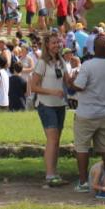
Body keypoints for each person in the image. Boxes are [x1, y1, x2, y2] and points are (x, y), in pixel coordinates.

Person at [66, 36, 105, 197]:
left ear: (93, 48)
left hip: (86, 112)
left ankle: (84, 182)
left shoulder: (88, 65)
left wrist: (70, 82)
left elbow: (79, 86)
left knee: (82, 147)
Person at [30, 33, 69, 186]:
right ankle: (49, 174)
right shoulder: (42, 63)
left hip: (60, 105)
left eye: (58, 42)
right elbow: (33, 86)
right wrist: (53, 92)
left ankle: (54, 173)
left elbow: (68, 81)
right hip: (46, 105)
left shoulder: (61, 61)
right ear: (47, 45)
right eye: (53, 43)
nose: (56, 45)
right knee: (52, 140)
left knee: (56, 141)